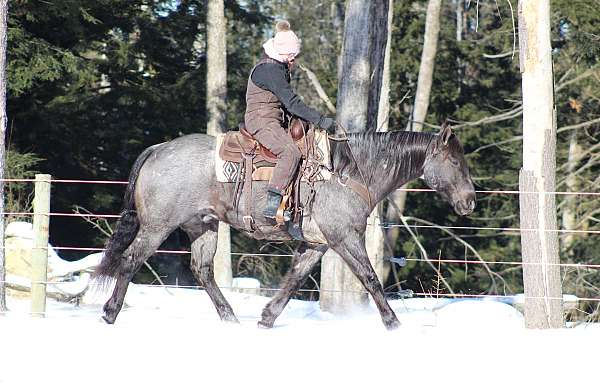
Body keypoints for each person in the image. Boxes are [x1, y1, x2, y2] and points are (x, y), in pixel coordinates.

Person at [244, 20, 335, 221]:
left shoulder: (276, 66)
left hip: (273, 120)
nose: (294, 59)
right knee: (290, 152)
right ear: (287, 53)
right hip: (261, 121)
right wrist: (321, 121)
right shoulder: (271, 70)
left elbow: (285, 105)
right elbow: (292, 103)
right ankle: (272, 202)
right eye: (293, 55)